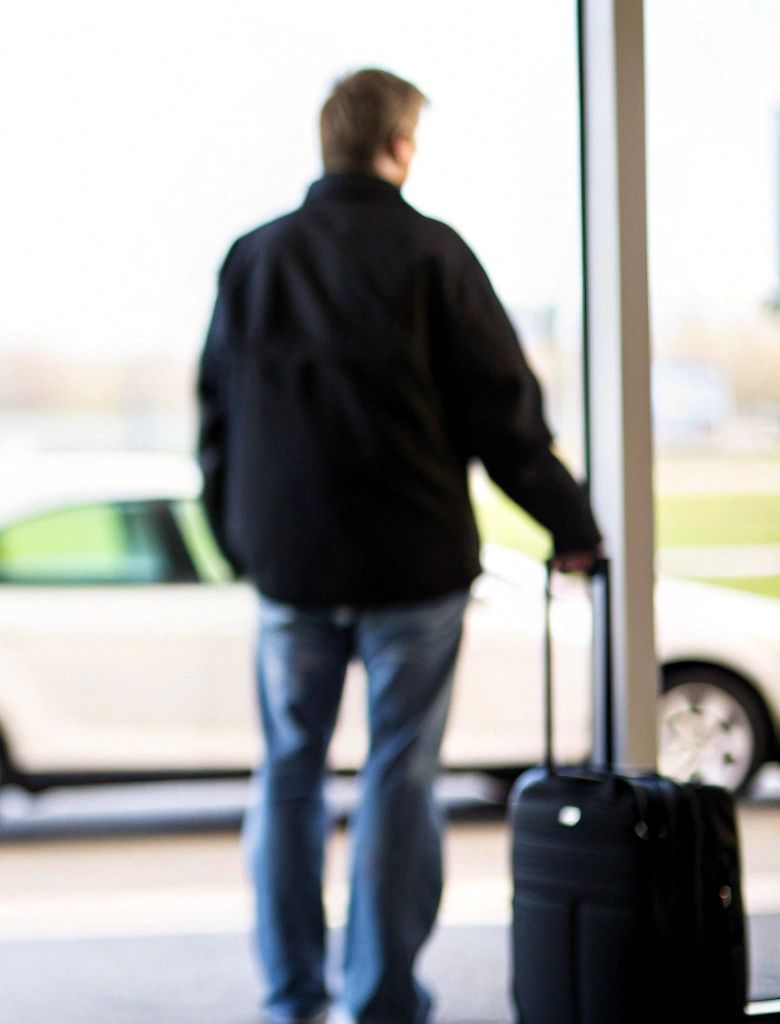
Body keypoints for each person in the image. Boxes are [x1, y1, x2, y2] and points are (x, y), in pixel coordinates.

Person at [196, 69, 601, 1024]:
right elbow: (505, 414)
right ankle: (379, 1005)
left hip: (290, 567)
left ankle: (293, 1000)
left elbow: (217, 418)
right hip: (412, 567)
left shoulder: (254, 258)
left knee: (290, 772)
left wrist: (238, 540)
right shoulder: (434, 254)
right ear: (401, 146)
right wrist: (571, 524)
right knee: (398, 774)